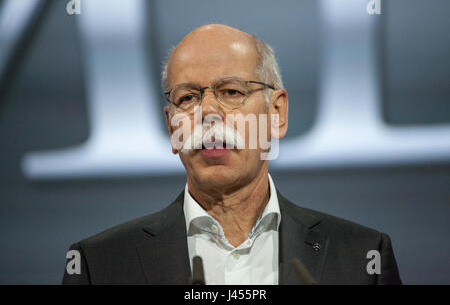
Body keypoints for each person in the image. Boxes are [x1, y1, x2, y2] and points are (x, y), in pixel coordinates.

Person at [62, 24, 401, 285]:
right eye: (187, 98)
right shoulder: (100, 265)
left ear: (277, 114)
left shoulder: (362, 256)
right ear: (171, 128)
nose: (208, 112)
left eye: (231, 92)